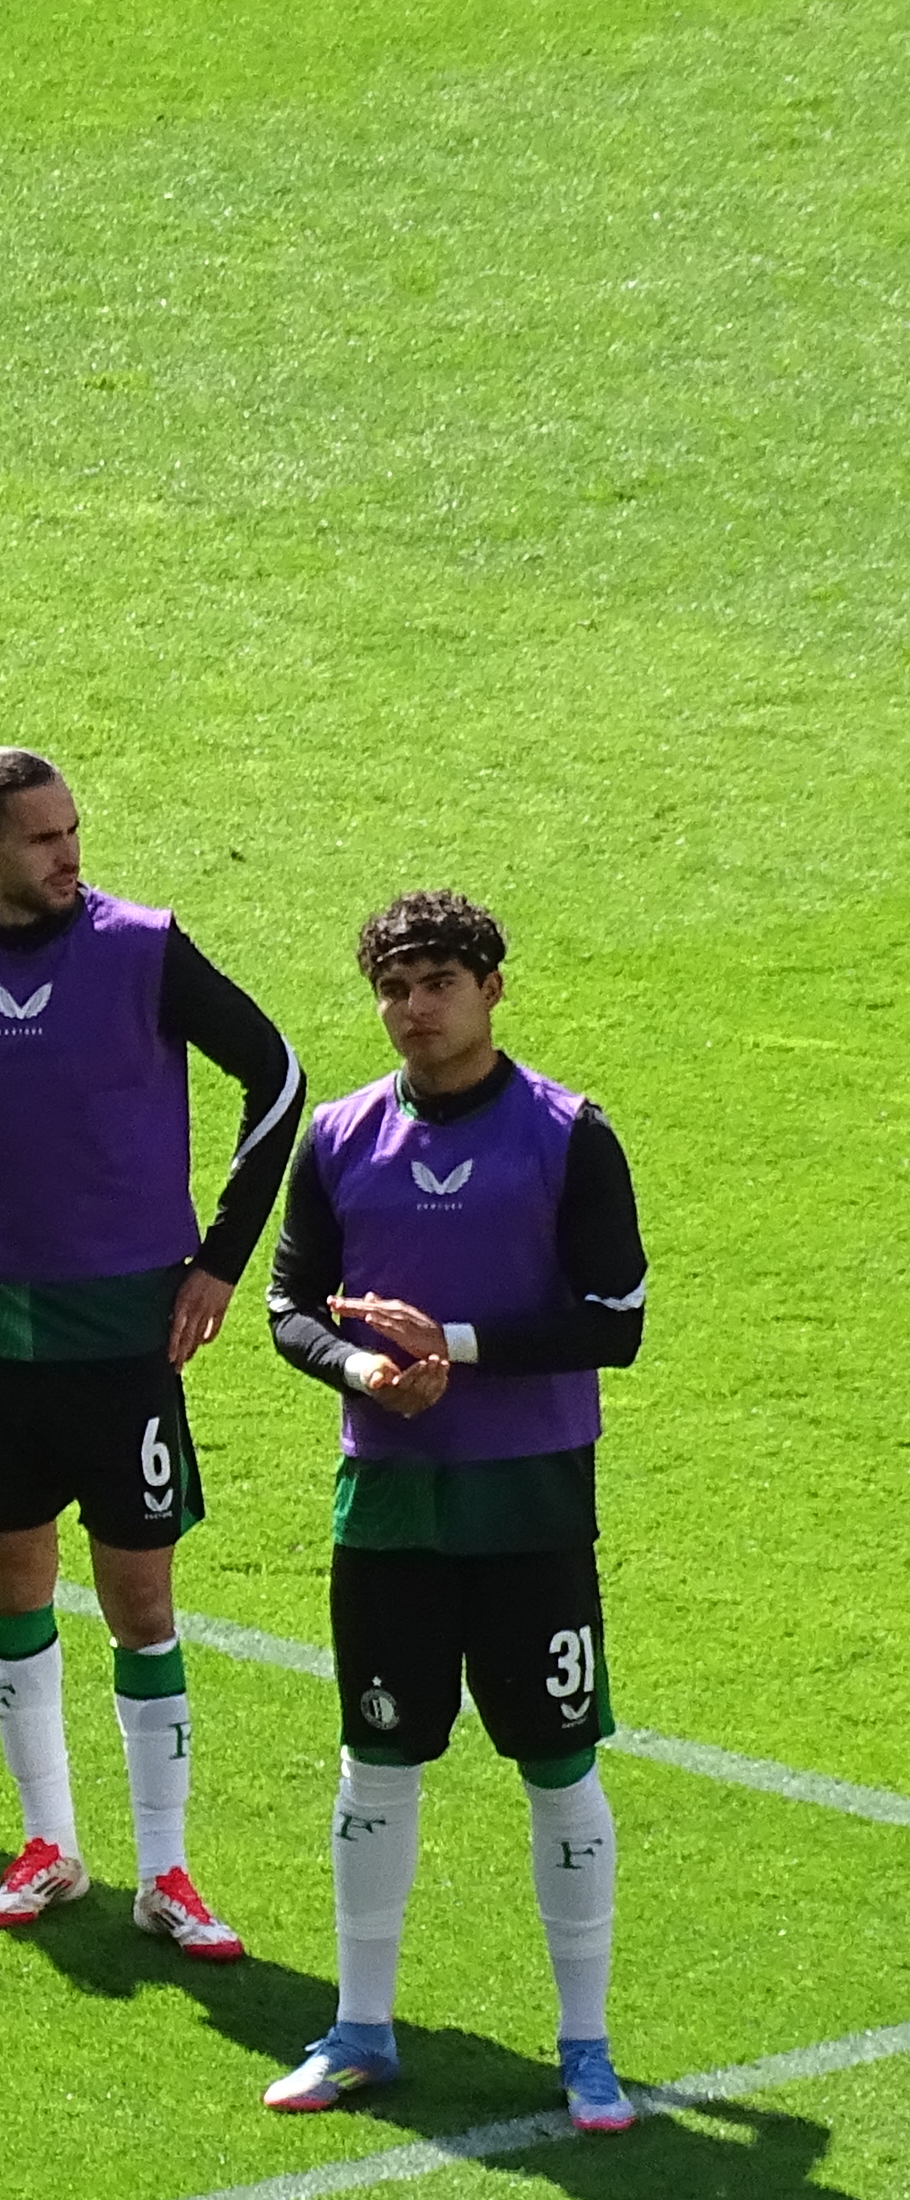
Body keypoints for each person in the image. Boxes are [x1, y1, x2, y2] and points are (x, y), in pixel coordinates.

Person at [0, 749, 302, 1953]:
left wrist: (222, 1257)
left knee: (140, 1600)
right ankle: (49, 1848)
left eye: (73, 830)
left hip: (121, 1329)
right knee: (15, 1586)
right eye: (40, 838)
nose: (68, 854)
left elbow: (276, 1075)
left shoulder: (140, 946)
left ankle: (168, 1871)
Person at [257, 892, 650, 2136]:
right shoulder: (337, 1137)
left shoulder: (570, 1135)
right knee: (377, 1758)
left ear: (491, 988)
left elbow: (616, 1321)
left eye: (437, 982)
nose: (413, 1010)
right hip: (386, 1506)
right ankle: (361, 2029)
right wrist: (366, 1373)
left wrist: (456, 1349)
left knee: (556, 1759)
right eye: (394, 987)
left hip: (531, 1504)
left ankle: (586, 2046)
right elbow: (289, 1305)